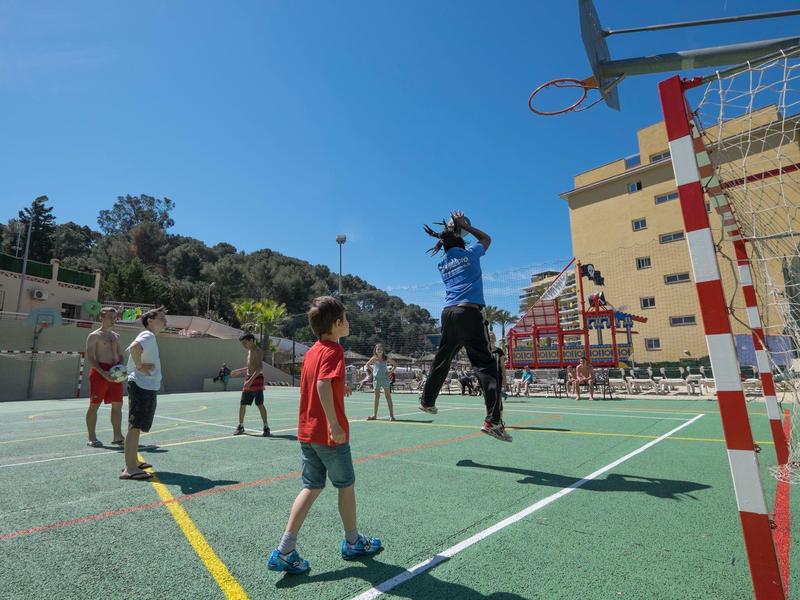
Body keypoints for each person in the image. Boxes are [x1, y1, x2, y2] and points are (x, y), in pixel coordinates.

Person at [268, 296, 382, 575]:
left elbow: (317, 382)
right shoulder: (333, 351)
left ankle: (285, 550)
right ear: (337, 323)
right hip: (328, 434)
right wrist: (334, 422)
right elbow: (321, 385)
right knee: (346, 484)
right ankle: (353, 542)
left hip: (307, 432)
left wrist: (339, 389)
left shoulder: (312, 351)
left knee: (311, 486)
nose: (349, 322)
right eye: (346, 317)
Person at [419, 211, 511, 442]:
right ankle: (494, 421)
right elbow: (487, 239)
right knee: (485, 366)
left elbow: (452, 245)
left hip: (448, 314)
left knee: (442, 359)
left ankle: (427, 401)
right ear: (461, 239)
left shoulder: (442, 264)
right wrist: (465, 226)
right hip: (468, 312)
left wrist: (454, 231)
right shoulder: (470, 254)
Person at [121, 307, 167, 480]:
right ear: (150, 320)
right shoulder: (147, 335)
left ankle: (133, 461)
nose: (165, 321)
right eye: (161, 318)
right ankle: (130, 468)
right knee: (135, 426)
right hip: (142, 385)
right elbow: (134, 348)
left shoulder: (149, 337)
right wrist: (139, 366)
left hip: (143, 385)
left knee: (136, 425)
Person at [85, 307, 124, 447]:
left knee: (118, 405)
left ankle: (117, 436)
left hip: (115, 373)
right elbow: (90, 357)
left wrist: (121, 368)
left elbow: (120, 355)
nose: (113, 320)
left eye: (115, 317)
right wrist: (103, 373)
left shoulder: (116, 336)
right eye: (110, 317)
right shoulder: (94, 336)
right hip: (100, 372)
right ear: (101, 317)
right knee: (94, 405)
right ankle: (92, 437)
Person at [231, 333, 270, 437]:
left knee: (259, 404)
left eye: (245, 342)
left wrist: (250, 381)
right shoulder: (249, 351)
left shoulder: (257, 351)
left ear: (252, 340)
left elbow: (259, 368)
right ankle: (241, 426)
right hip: (249, 378)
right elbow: (251, 366)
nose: (243, 345)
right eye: (242, 343)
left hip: (256, 379)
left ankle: (266, 427)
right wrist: (240, 370)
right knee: (242, 404)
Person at [365, 343, 397, 421]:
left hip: (385, 379)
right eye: (378, 349)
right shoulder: (374, 358)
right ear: (375, 350)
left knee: (388, 396)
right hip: (376, 379)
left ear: (383, 351)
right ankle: (374, 415)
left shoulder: (386, 358)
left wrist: (390, 372)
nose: (379, 351)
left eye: (381, 349)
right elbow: (367, 364)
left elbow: (395, 364)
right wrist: (373, 371)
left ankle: (391, 416)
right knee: (377, 397)